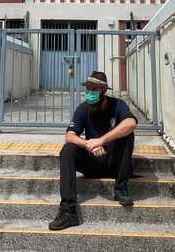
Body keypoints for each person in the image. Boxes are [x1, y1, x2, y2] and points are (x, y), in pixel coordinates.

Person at [48, 70, 138, 231]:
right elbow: (69, 135)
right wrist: (89, 144)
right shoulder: (83, 108)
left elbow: (131, 123)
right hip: (92, 162)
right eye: (87, 89)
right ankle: (68, 212)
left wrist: (101, 141)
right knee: (67, 149)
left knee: (127, 135)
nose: (89, 93)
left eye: (93, 89)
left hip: (114, 164)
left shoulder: (118, 105)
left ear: (103, 91)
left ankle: (121, 189)